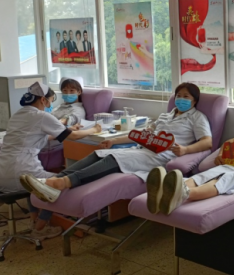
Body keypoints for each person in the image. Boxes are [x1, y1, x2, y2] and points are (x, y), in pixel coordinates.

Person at [21, 83, 213, 204]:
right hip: (143, 149)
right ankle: (53, 181)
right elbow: (141, 135)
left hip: (161, 156)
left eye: (186, 97)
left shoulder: (197, 117)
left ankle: (60, 183)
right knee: (98, 154)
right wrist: (113, 140)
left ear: (194, 101)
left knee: (112, 159)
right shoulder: (165, 115)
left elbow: (207, 142)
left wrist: (185, 149)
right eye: (178, 96)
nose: (181, 99)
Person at [0, 82, 101, 240]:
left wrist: (64, 131)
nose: (50, 103)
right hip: (19, 173)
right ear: (43, 99)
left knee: (33, 183)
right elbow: (74, 137)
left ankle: (34, 220)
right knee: (58, 184)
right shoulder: (41, 116)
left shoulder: (19, 114)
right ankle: (40, 228)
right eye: (50, 100)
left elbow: (34, 136)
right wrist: (94, 129)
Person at [0, 78, 87, 155]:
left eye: (71, 90)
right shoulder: (59, 107)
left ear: (79, 91)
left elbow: (65, 122)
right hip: (32, 132)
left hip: (42, 138)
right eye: (65, 91)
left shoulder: (78, 110)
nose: (67, 93)